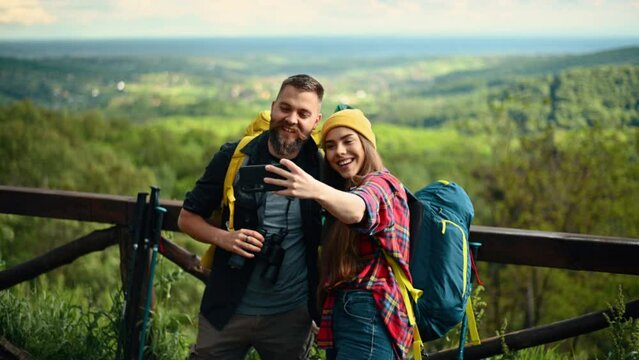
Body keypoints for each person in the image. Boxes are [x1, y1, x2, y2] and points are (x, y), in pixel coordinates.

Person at [178, 74, 324, 360]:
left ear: (316, 121)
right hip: (227, 308)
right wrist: (225, 239)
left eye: (303, 113)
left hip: (291, 315)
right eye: (285, 108)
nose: (292, 119)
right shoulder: (234, 157)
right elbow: (186, 218)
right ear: (272, 108)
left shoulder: (321, 168)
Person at [264, 108, 413, 359]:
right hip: (343, 313)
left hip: (369, 313)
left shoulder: (382, 183)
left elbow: (359, 210)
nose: (339, 152)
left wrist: (313, 188)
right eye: (331, 146)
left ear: (366, 144)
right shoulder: (344, 192)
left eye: (348, 141)